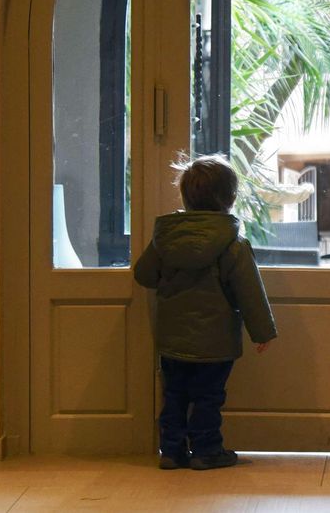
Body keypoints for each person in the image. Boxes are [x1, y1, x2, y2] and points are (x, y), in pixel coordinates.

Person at [134, 155, 277, 470]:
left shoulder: (165, 238)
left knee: (174, 396)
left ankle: (171, 451)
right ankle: (206, 450)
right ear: (230, 198)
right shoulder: (233, 245)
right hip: (216, 343)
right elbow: (249, 292)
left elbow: (144, 275)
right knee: (208, 398)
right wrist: (262, 332)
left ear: (185, 197)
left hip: (172, 340)